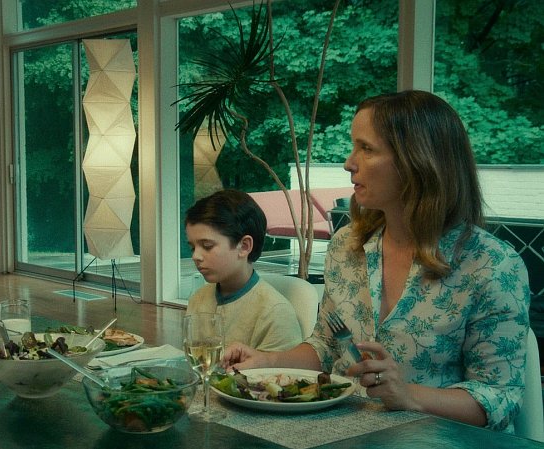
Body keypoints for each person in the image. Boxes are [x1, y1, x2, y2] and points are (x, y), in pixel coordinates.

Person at [222, 91, 530, 432]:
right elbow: (327, 346)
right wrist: (267, 361)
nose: (349, 163)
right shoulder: (346, 246)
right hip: (343, 433)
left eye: (366, 149)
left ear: (417, 162)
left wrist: (408, 395)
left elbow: (500, 399)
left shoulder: (493, 265)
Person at [185, 189, 303, 352]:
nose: (196, 256)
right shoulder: (198, 299)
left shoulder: (274, 313)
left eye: (207, 246)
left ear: (244, 246)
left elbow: (279, 369)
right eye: (192, 247)